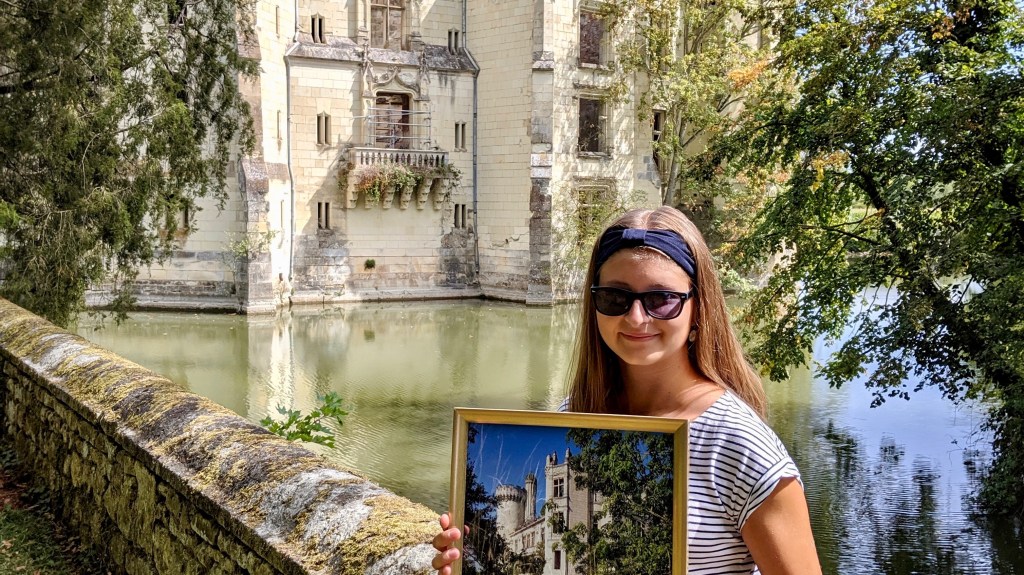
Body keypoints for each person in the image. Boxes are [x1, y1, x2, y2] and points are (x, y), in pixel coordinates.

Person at [432, 206, 822, 574]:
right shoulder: (574, 416)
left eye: (661, 299)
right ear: (594, 303)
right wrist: (469, 561)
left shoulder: (736, 443)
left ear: (698, 307)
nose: (636, 318)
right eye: (615, 298)